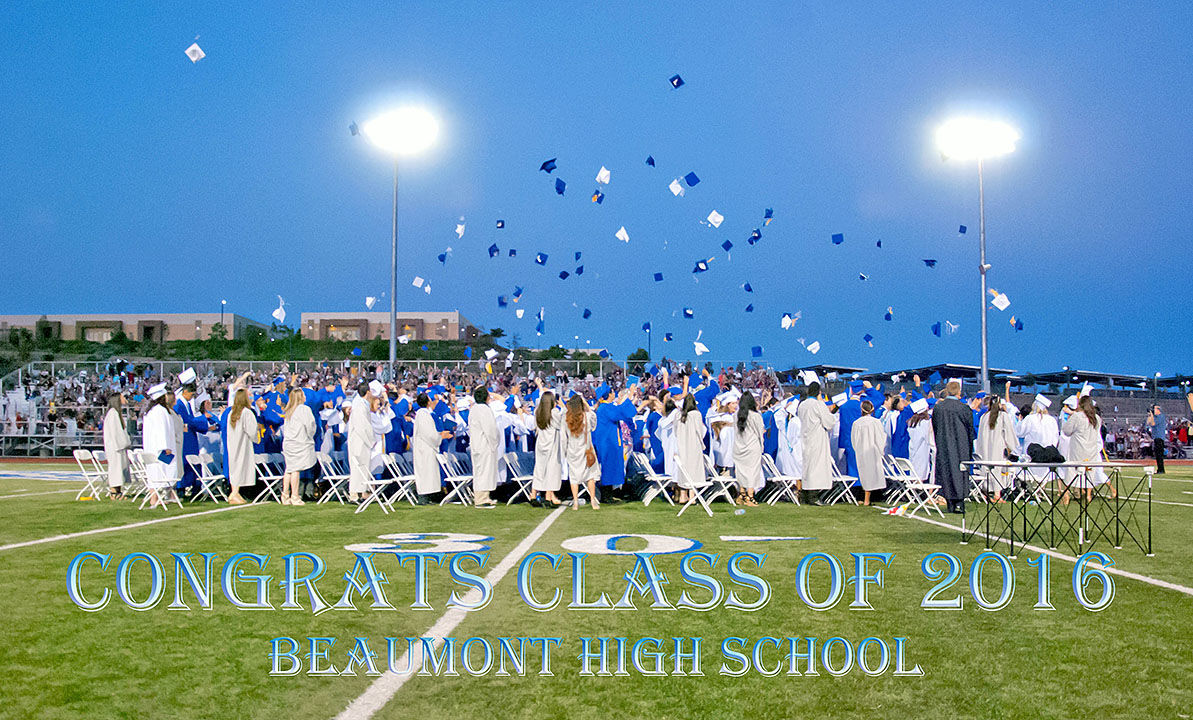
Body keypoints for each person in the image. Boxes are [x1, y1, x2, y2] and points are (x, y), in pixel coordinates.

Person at [931, 380, 976, 514]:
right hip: (960, 444)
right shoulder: (963, 408)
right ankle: (959, 502)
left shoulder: (939, 408)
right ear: (959, 391)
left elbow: (935, 426)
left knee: (946, 472)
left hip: (944, 443)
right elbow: (970, 428)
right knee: (960, 472)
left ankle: (949, 502)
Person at [592, 384, 638, 501]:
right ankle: (606, 496)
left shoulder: (606, 407)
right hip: (608, 442)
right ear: (609, 395)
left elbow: (621, 411)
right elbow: (620, 412)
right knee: (608, 467)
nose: (614, 394)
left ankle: (610, 494)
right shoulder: (605, 407)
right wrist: (630, 394)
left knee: (611, 467)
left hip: (609, 441)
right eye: (612, 392)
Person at [797, 382, 839, 505]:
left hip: (806, 437)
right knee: (816, 467)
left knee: (808, 466)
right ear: (819, 392)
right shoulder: (818, 404)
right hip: (817, 438)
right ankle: (813, 495)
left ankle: (805, 493)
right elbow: (829, 422)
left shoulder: (802, 405)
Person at [975, 396, 1019, 503]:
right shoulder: (1003, 416)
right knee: (997, 469)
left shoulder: (984, 417)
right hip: (998, 447)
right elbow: (1008, 433)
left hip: (985, 447)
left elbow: (979, 435)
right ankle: (997, 494)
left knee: (987, 468)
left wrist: (979, 449)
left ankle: (985, 492)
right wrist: (1012, 447)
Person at [141, 382, 178, 508]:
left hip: (153, 447)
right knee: (162, 471)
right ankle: (156, 498)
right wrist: (165, 446)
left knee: (154, 472)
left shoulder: (150, 411)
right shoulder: (160, 411)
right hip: (161, 448)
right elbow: (162, 430)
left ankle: (157, 497)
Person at [1062, 395, 1104, 503]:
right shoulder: (1096, 418)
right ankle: (1088, 495)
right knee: (1089, 471)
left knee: (1071, 471)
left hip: (1078, 449)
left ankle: (1066, 494)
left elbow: (1066, 431)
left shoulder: (1077, 416)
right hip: (1091, 450)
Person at [563, 393, 599, 510]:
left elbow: (564, 437)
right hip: (586, 449)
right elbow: (594, 418)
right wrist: (585, 403)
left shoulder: (566, 418)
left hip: (572, 450)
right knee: (590, 476)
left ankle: (575, 502)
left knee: (574, 477)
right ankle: (593, 500)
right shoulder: (587, 416)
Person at [281, 388, 316, 506]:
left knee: (289, 469)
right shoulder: (304, 409)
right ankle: (295, 496)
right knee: (295, 469)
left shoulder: (288, 411)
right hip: (299, 443)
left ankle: (285, 494)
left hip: (288, 443)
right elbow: (310, 425)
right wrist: (310, 436)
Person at [411, 391, 448, 502]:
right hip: (425, 448)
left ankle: (430, 495)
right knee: (425, 472)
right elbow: (429, 434)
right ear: (427, 402)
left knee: (429, 473)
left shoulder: (425, 414)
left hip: (428, 448)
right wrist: (439, 437)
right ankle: (424, 496)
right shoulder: (423, 415)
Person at [468, 386, 500, 507]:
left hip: (477, 444)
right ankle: (481, 499)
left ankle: (485, 496)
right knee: (484, 471)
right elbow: (490, 429)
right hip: (485, 445)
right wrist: (494, 442)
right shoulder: (484, 410)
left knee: (481, 471)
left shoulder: (474, 409)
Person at [531, 388, 564, 506]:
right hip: (552, 443)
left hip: (541, 443)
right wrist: (563, 407)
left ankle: (533, 495)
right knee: (552, 470)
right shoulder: (554, 412)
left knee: (539, 469)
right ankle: (548, 496)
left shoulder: (537, 412)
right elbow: (560, 424)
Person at [225, 388, 258, 504]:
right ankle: (234, 493)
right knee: (240, 466)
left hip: (233, 444)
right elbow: (252, 430)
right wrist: (256, 438)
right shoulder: (246, 412)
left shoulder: (231, 413)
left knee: (235, 467)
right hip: (243, 444)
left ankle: (235, 491)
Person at [673, 390, 706, 505]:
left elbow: (675, 431)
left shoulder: (678, 415)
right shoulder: (696, 415)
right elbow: (699, 431)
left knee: (684, 470)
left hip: (682, 445)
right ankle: (692, 496)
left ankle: (683, 495)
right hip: (694, 445)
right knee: (693, 470)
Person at [732, 391, 765, 506]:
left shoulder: (735, 415)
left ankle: (742, 494)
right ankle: (750, 497)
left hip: (739, 447)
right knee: (752, 472)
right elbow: (760, 432)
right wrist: (761, 446)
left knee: (741, 472)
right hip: (752, 446)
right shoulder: (755, 416)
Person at [851, 399, 886, 506]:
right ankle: (866, 499)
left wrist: (857, 449)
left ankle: (863, 497)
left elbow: (854, 440)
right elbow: (880, 438)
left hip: (861, 451)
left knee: (864, 474)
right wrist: (881, 450)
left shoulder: (856, 423)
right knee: (870, 474)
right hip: (872, 451)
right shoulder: (875, 422)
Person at [347, 382, 378, 503]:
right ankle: (354, 494)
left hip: (363, 441)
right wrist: (371, 440)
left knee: (363, 467)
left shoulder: (362, 404)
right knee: (357, 467)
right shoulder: (359, 405)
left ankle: (361, 492)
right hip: (359, 441)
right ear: (368, 392)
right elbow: (362, 426)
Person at [101, 392, 131, 498]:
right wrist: (125, 442)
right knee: (115, 469)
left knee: (119, 469)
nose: (125, 399)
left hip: (118, 446)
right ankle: (114, 492)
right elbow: (116, 433)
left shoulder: (115, 413)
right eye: (123, 397)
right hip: (115, 447)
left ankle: (118, 491)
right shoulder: (113, 413)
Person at [1146, 404, 1168, 474]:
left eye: (1154, 409)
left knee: (1159, 454)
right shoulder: (1155, 417)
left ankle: (1161, 469)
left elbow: (1153, 424)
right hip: (1155, 437)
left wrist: (1152, 415)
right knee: (1157, 455)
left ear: (1158, 410)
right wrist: (1149, 415)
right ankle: (1159, 469)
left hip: (1160, 437)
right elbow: (1148, 422)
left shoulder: (1161, 416)